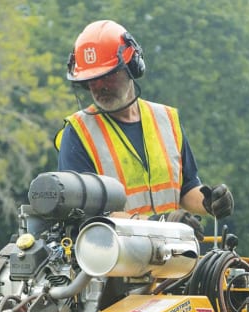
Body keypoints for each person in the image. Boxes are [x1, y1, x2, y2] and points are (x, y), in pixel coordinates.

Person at [55, 19, 233, 230]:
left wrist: (209, 202)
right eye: (92, 79)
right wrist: (160, 224)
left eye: (107, 76)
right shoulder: (78, 132)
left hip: (171, 256)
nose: (99, 87)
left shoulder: (167, 119)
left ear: (132, 67)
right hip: (113, 258)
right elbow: (87, 212)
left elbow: (187, 187)